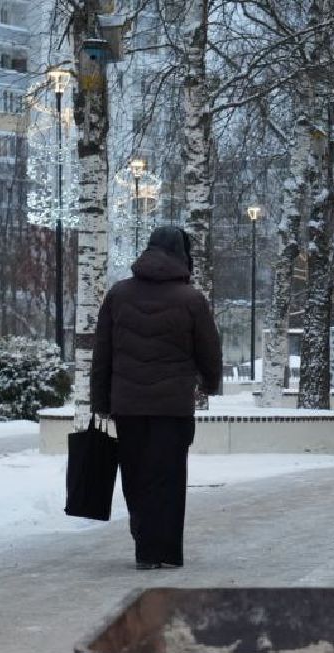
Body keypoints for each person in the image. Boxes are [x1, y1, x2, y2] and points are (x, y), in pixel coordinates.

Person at [91, 226, 222, 570]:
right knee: (169, 476)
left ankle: (144, 546)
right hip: (173, 407)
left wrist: (100, 402)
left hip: (129, 406)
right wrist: (210, 383)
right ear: (182, 255)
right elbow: (209, 351)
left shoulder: (118, 295)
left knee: (135, 474)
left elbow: (102, 354)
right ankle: (167, 550)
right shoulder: (191, 300)